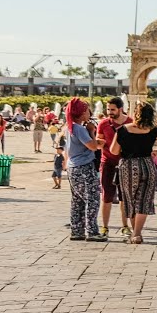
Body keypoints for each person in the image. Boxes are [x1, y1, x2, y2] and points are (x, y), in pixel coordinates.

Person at [110, 101, 157, 243]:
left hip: (128, 167)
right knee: (143, 200)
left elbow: (114, 151)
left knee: (130, 199)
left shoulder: (123, 130)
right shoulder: (153, 129)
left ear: (135, 114)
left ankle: (134, 233)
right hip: (147, 165)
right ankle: (137, 233)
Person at [63, 98, 104, 239]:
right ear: (81, 113)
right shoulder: (80, 128)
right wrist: (92, 131)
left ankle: (77, 230)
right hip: (84, 167)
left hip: (72, 166)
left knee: (77, 200)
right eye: (87, 111)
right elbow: (92, 146)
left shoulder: (70, 127)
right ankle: (92, 231)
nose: (89, 113)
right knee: (92, 199)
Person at [95, 98, 131, 239]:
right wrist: (98, 142)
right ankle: (104, 227)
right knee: (106, 196)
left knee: (124, 197)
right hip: (108, 162)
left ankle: (125, 226)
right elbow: (99, 140)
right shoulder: (103, 123)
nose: (109, 112)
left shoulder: (131, 122)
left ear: (120, 109)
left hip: (125, 163)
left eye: (112, 110)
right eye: (108, 109)